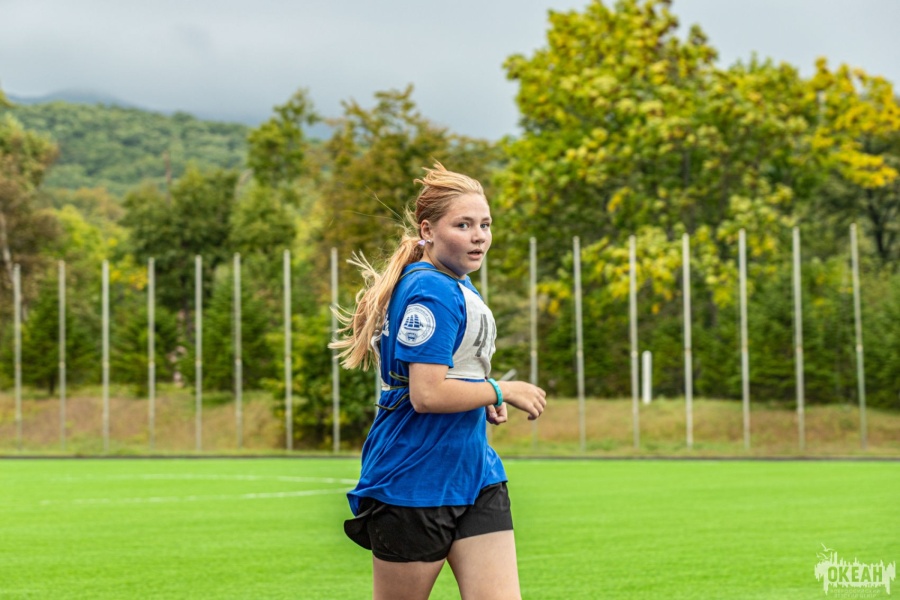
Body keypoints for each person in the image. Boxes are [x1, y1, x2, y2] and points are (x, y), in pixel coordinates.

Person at [331, 163, 547, 600]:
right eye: (463, 225)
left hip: (475, 473)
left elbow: (452, 371)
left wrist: (480, 394)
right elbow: (427, 394)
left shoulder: (457, 284)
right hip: (414, 479)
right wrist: (504, 389)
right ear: (427, 231)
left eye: (485, 224)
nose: (479, 236)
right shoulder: (431, 290)